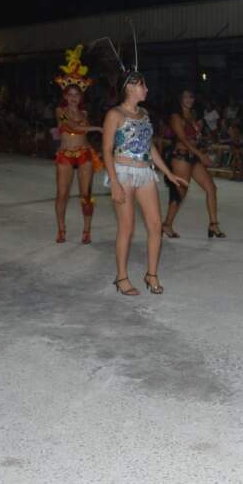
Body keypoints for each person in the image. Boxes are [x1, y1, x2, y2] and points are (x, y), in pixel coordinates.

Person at [98, 33, 188, 295]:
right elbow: (105, 149)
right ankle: (122, 277)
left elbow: (149, 147)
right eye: (143, 86)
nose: (147, 90)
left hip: (145, 173)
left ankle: (151, 274)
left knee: (155, 226)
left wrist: (168, 173)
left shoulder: (145, 114)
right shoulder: (114, 114)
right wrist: (114, 182)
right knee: (126, 228)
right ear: (131, 87)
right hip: (123, 173)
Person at [51, 45, 104, 244]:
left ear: (81, 97)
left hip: (84, 154)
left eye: (77, 95)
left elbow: (82, 130)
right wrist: (97, 129)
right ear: (65, 96)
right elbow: (72, 127)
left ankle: (87, 230)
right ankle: (61, 229)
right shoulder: (59, 111)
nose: (73, 98)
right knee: (62, 194)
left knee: (86, 194)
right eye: (70, 94)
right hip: (65, 153)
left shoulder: (85, 114)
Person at [161, 88, 226, 239]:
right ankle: (167, 224)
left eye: (191, 97)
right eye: (186, 97)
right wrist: (201, 155)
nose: (189, 100)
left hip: (193, 156)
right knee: (180, 193)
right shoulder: (176, 116)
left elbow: (194, 137)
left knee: (211, 188)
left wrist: (201, 140)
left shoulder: (193, 115)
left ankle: (213, 225)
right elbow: (183, 139)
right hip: (181, 157)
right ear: (180, 99)